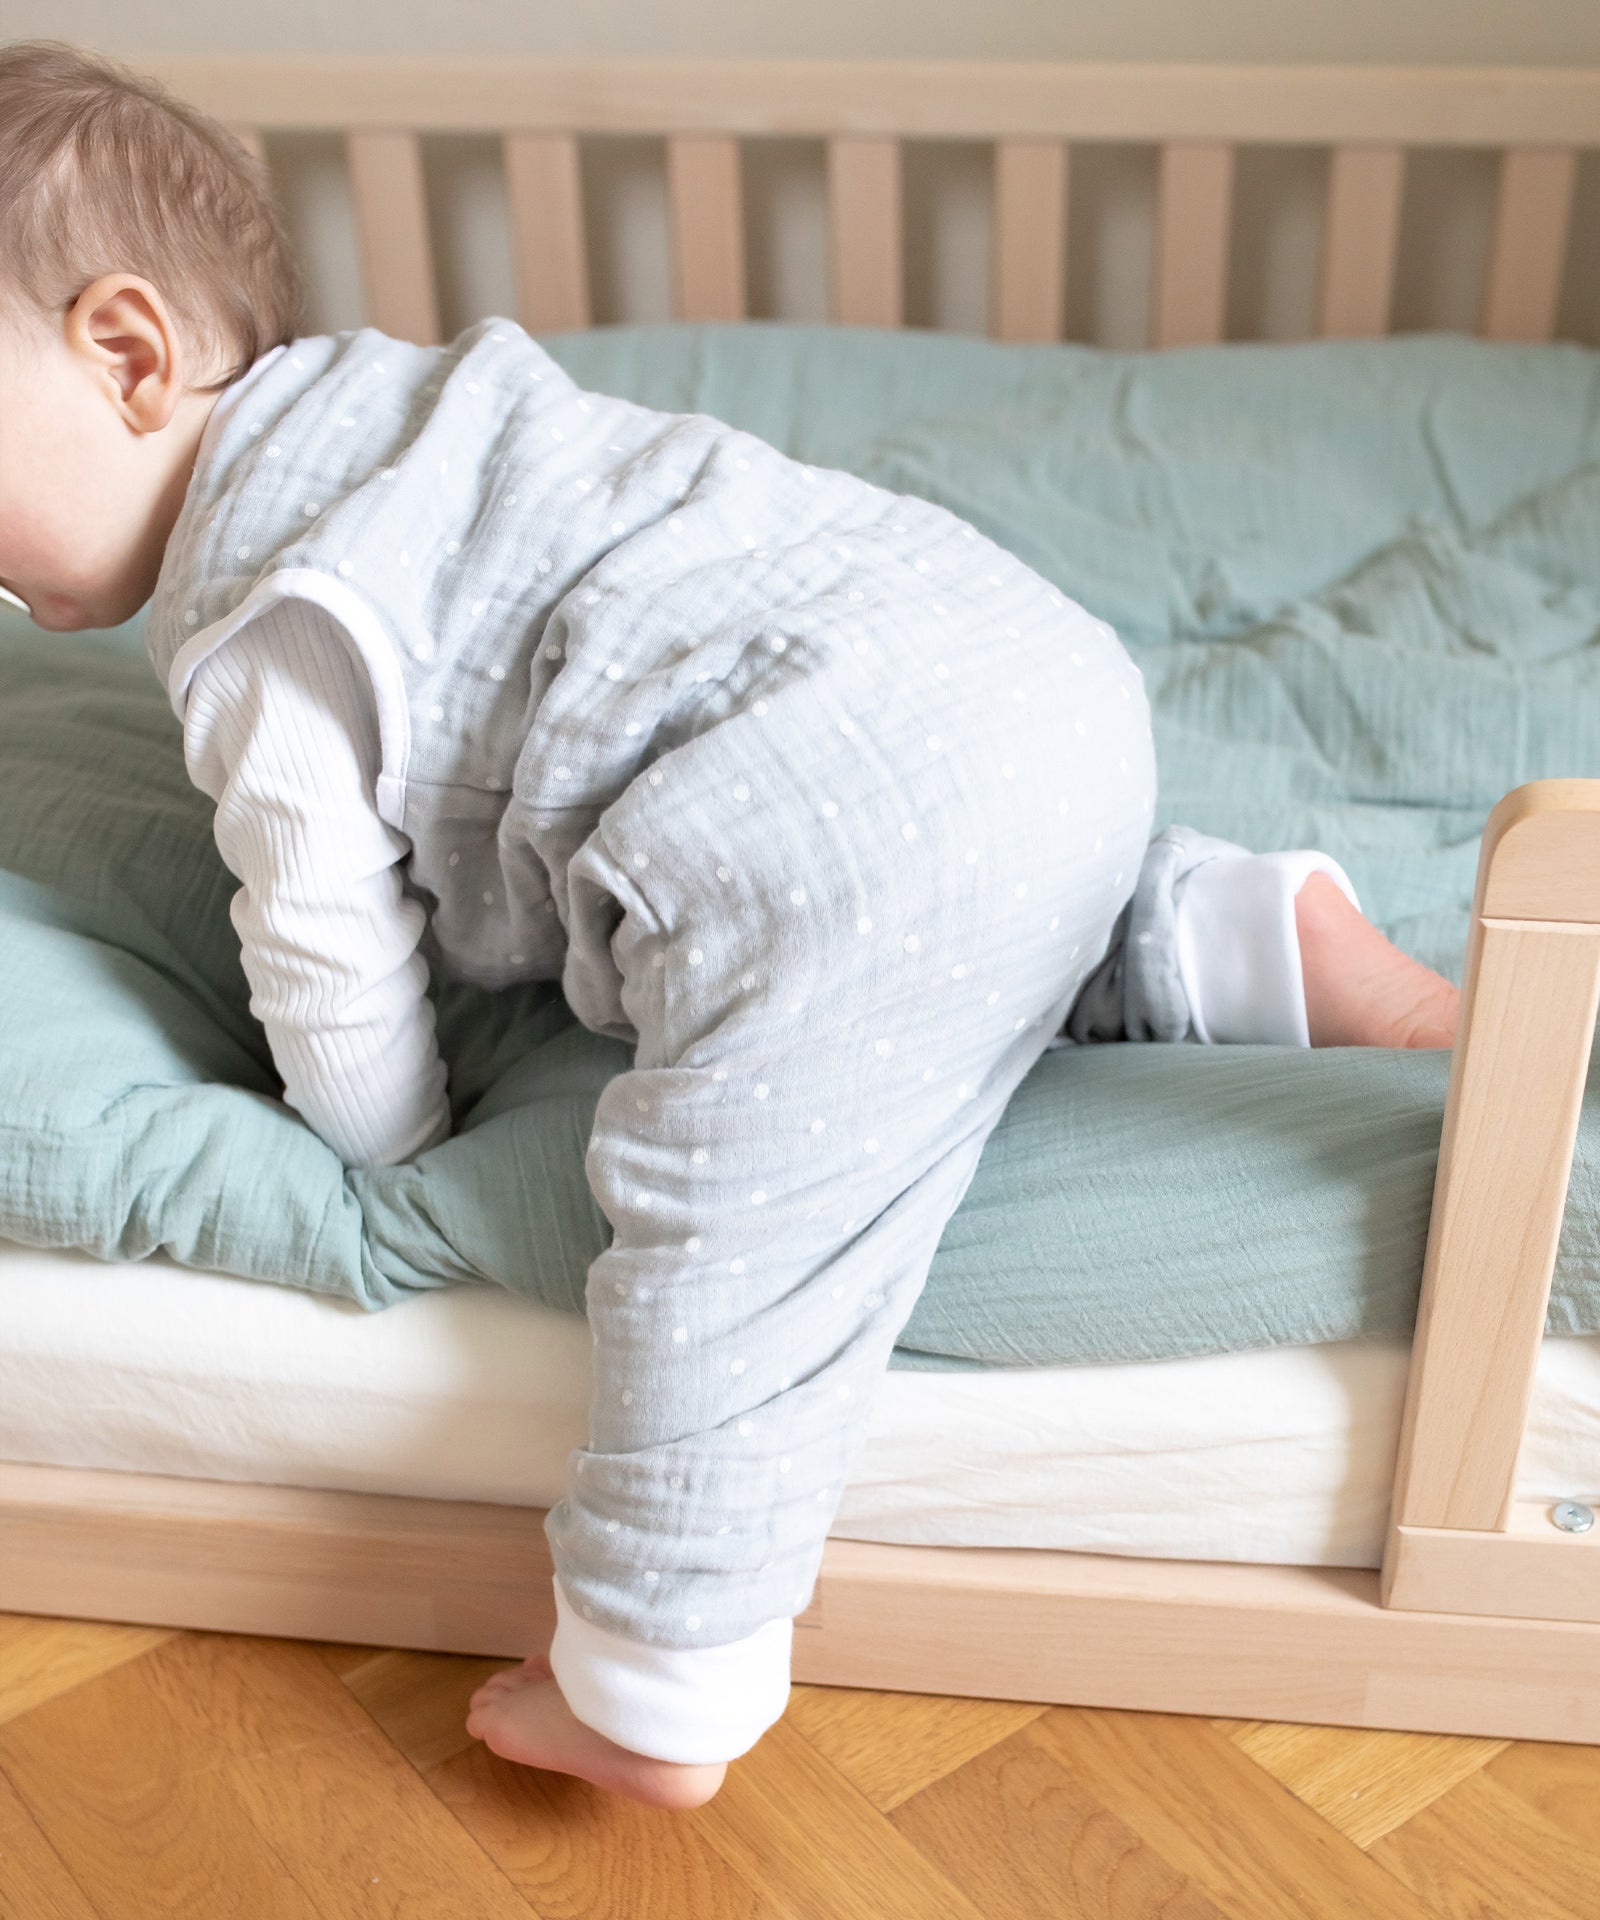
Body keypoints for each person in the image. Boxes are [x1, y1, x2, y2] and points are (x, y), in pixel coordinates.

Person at [0, 41, 1458, 1810]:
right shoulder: (416, 412)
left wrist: (380, 1151)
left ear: (129, 355)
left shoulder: (260, 621)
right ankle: (1234, 930)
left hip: (805, 813)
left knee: (731, 1205)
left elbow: (322, 944)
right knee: (973, 930)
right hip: (1020, 668)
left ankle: (658, 1670)